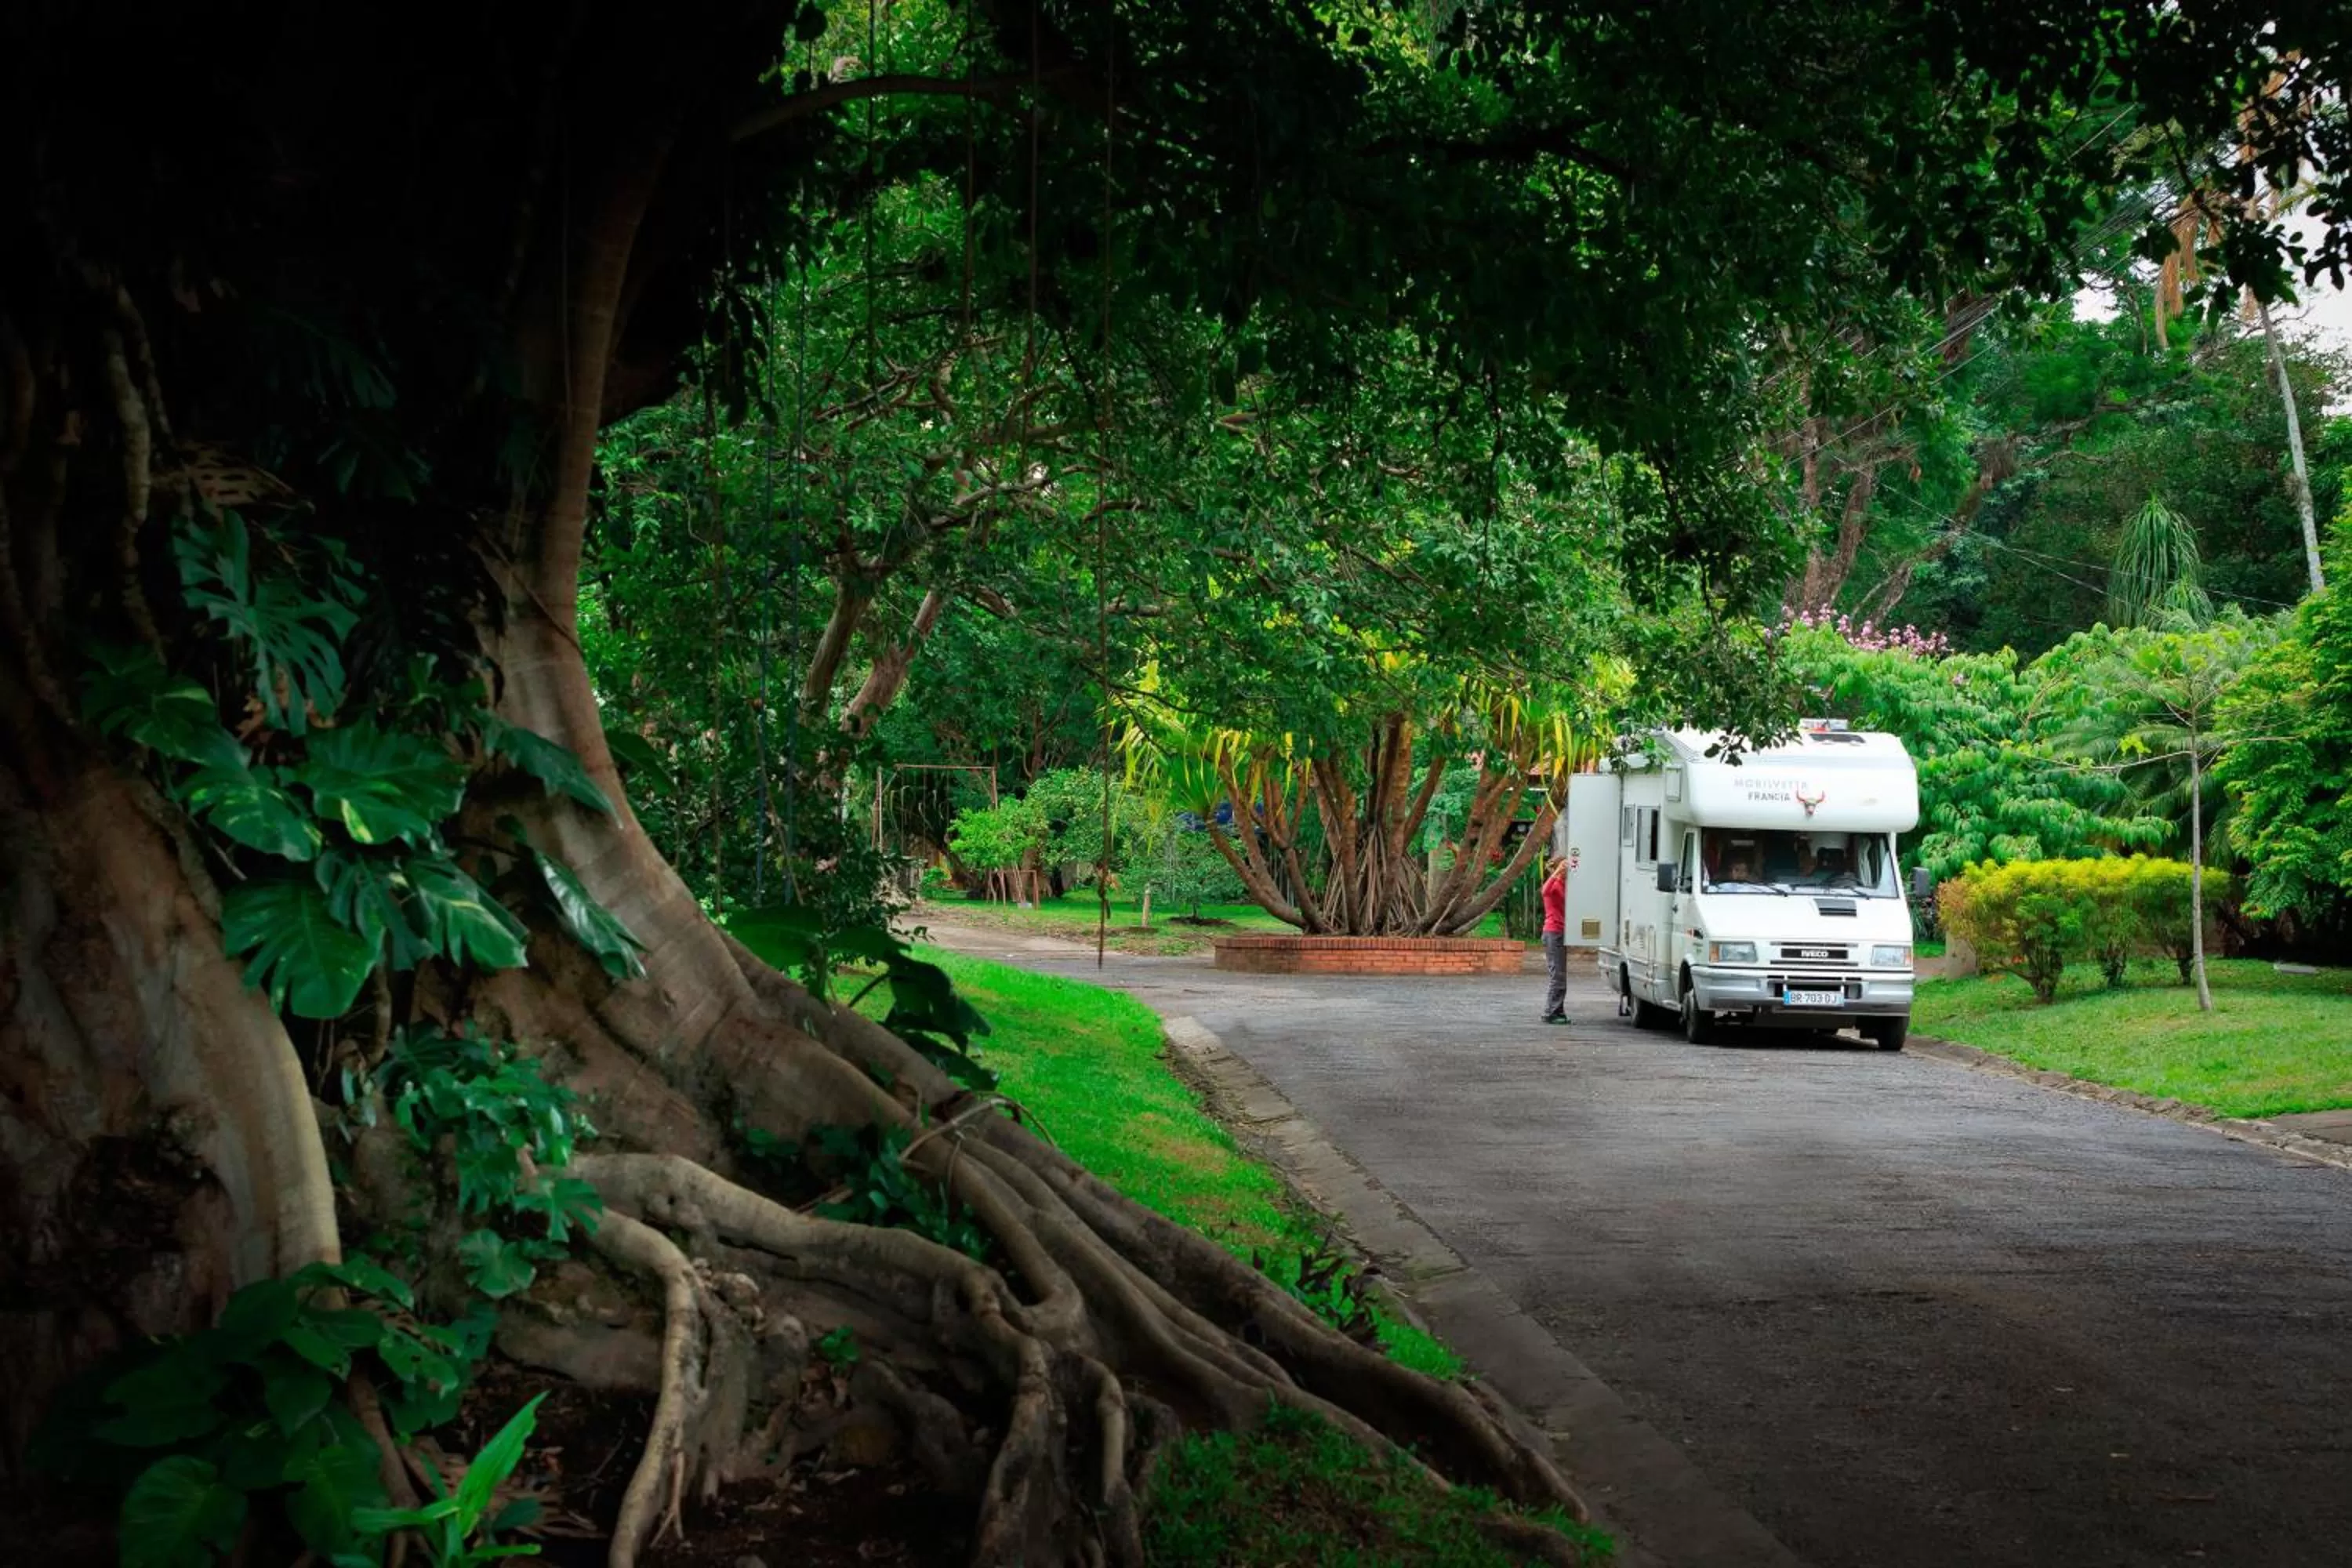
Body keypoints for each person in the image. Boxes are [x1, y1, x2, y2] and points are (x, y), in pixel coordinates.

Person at [1540, 856, 1570, 1025]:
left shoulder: (1565, 885)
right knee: (1557, 975)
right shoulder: (1553, 884)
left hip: (1561, 932)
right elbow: (1544, 891)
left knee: (1561, 975)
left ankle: (1558, 1010)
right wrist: (1557, 871)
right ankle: (1550, 1012)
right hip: (1553, 932)